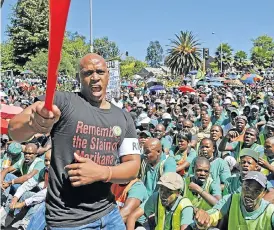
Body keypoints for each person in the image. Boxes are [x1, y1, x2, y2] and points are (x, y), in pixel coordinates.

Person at [8, 53, 141, 229]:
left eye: (100, 72)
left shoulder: (123, 117)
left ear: (108, 75)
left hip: (109, 215)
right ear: (79, 77)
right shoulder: (64, 101)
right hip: (68, 220)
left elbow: (133, 167)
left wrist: (102, 172)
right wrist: (35, 123)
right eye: (88, 73)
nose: (95, 78)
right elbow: (14, 131)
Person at [195, 171, 274, 229]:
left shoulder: (270, 212)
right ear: (241, 186)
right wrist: (204, 217)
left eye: (256, 191)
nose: (249, 194)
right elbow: (213, 214)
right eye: (246, 188)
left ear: (263, 193)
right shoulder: (231, 199)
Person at [127, 172, 194, 230]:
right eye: (161, 189)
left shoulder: (185, 206)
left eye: (168, 191)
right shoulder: (156, 197)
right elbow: (132, 217)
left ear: (178, 192)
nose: (163, 194)